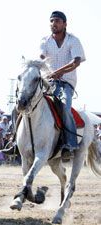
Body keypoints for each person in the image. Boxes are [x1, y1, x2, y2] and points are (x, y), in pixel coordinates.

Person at [40, 11, 85, 159]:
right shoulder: (45, 41)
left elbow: (76, 62)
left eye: (57, 21)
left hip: (66, 83)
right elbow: (41, 60)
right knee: (24, 101)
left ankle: (70, 144)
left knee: (64, 105)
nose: (54, 23)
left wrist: (58, 72)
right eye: (52, 21)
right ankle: (15, 142)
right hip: (48, 82)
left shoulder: (73, 40)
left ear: (65, 24)